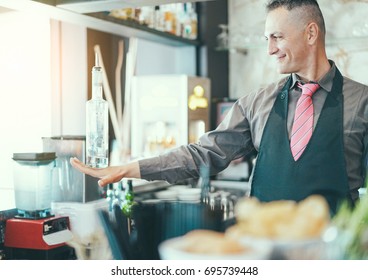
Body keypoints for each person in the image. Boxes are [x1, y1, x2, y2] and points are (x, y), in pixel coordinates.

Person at [71, 0, 368, 214]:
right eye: (267, 39)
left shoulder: (362, 103)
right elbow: (204, 153)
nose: (270, 49)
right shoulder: (257, 103)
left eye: (277, 37)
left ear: (311, 33)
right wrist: (132, 168)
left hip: (336, 255)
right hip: (262, 252)